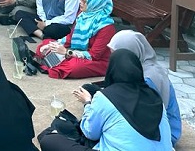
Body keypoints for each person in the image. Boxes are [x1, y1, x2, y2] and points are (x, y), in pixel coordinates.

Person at [38, 48, 171, 151]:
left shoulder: (106, 97)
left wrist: (88, 103)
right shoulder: (155, 97)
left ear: (111, 70)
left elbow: (89, 133)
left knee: (48, 139)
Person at [107, 30, 181, 145]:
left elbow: (134, 112)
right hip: (156, 130)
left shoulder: (149, 78)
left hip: (163, 135)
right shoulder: (145, 68)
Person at [35, 0, 116, 79]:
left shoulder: (106, 27)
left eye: (84, 0)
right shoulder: (83, 15)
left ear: (94, 3)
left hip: (96, 60)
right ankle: (57, 61)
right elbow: (70, 38)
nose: (80, 2)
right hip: (76, 52)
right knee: (45, 44)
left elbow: (94, 56)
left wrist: (67, 52)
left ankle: (56, 62)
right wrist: (53, 45)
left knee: (74, 66)